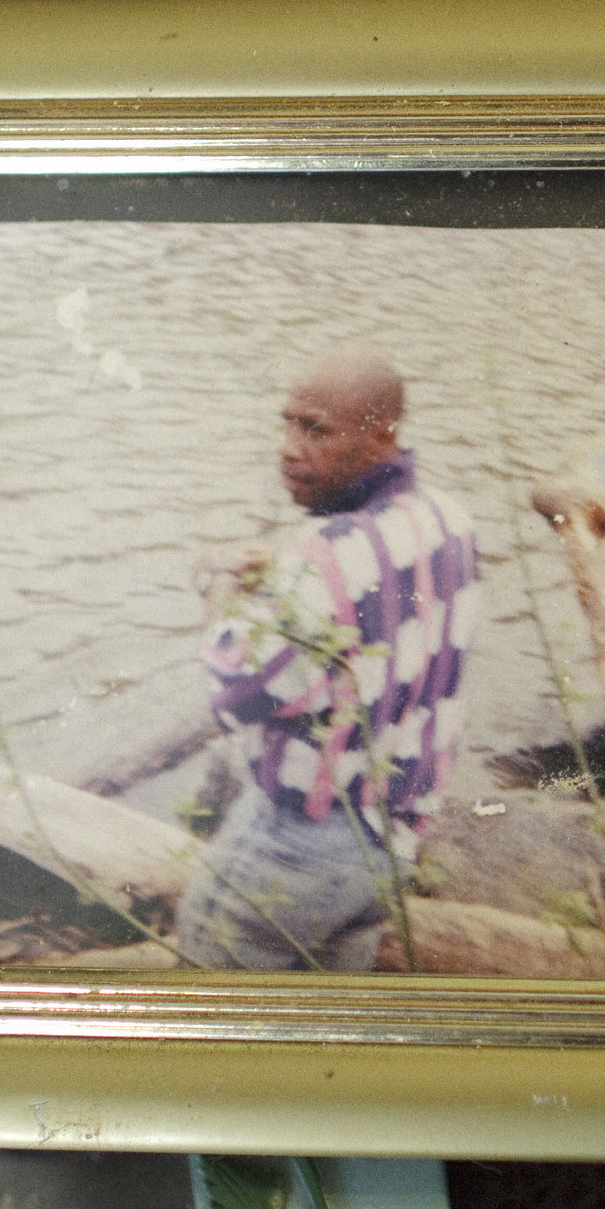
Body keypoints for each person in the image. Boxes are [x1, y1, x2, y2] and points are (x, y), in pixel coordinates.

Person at [176, 348, 480, 970]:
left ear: (381, 439)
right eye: (287, 423)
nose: (289, 447)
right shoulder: (447, 518)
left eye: (315, 430)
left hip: (298, 845)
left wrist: (220, 589)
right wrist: (287, 582)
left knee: (204, 1001)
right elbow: (374, 633)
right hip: (390, 840)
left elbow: (236, 694)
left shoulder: (326, 554)